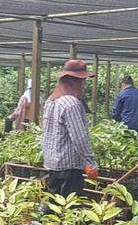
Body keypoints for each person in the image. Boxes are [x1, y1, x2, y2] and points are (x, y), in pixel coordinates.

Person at [42, 59, 99, 196]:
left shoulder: (51, 100)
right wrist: (91, 163)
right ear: (74, 80)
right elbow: (79, 137)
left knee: (54, 205)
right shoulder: (71, 103)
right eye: (82, 80)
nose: (83, 84)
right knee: (69, 208)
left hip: (53, 163)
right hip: (69, 167)